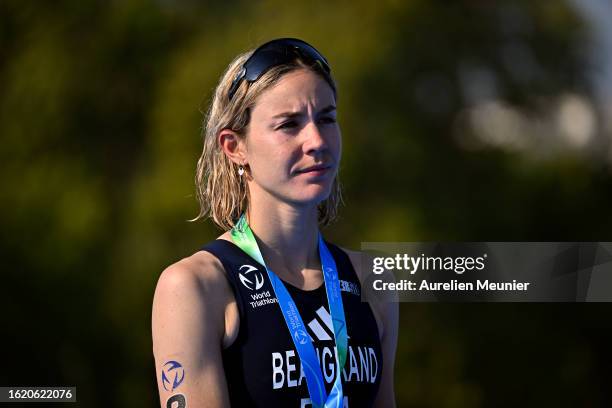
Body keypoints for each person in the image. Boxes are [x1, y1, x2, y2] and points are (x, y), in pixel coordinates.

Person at [152, 38, 398, 408]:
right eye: (289, 124)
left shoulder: (371, 279)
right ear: (235, 147)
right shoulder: (194, 287)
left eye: (327, 118)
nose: (317, 140)